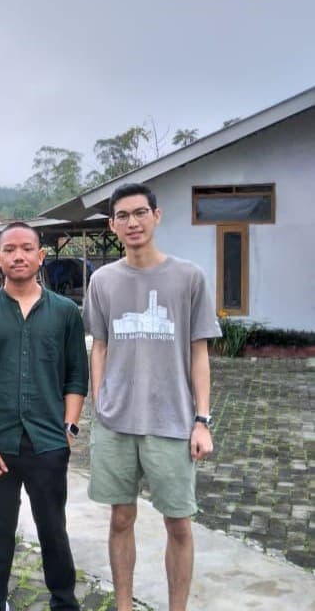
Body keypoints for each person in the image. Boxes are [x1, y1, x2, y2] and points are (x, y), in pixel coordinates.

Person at [82, 183, 222, 611]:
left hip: (172, 422)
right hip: (116, 423)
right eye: (122, 216)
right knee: (120, 518)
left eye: (140, 212)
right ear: (112, 226)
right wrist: (99, 405)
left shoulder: (189, 277)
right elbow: (99, 347)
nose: (133, 222)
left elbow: (199, 352)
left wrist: (202, 420)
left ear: (156, 216)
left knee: (179, 523)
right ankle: (124, 604)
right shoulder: (103, 281)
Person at [0, 221, 88, 611]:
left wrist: (68, 429)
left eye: (27, 248)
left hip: (48, 445)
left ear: (41, 256)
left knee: (54, 533)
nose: (19, 256)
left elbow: (76, 375)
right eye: (10, 249)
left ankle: (63, 602)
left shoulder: (65, 312)